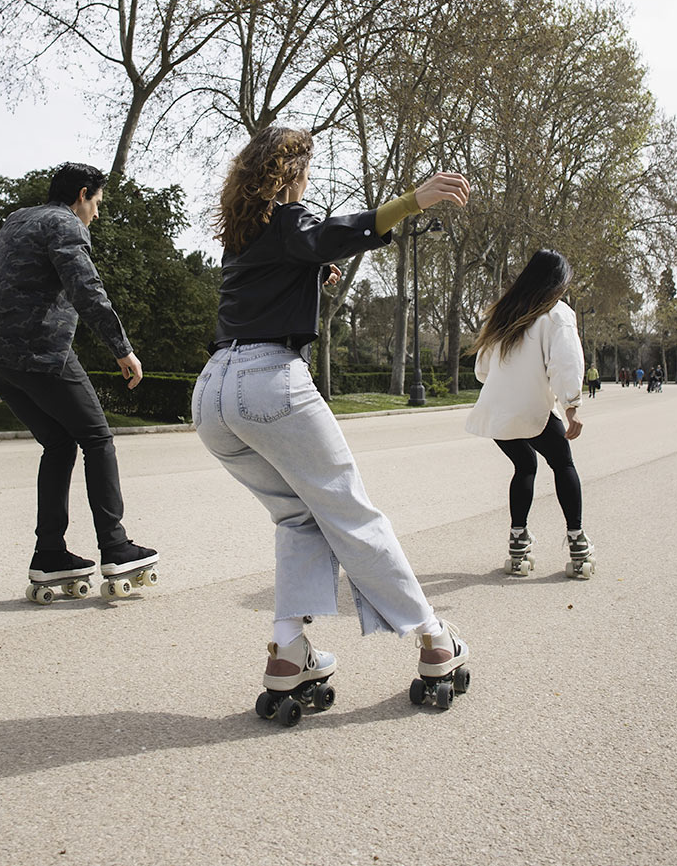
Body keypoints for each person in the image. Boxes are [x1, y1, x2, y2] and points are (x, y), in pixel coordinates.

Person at [190, 126, 471, 712]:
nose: (311, 180)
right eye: (307, 170)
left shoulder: (243, 236)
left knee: (297, 518)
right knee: (353, 515)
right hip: (268, 382)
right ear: (289, 174)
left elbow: (281, 271)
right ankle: (434, 638)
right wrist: (410, 201)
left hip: (213, 391)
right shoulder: (287, 219)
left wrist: (312, 277)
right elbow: (332, 233)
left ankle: (289, 650)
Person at [0, 162, 157, 594]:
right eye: (96, 203)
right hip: (37, 352)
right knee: (98, 438)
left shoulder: (18, 220)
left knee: (59, 443)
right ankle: (115, 547)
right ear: (82, 195)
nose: (96, 213)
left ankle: (50, 554)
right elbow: (86, 288)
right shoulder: (66, 225)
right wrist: (121, 348)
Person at [464, 249, 594, 579]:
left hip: (497, 411)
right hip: (532, 410)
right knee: (562, 463)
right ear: (558, 283)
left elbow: (482, 369)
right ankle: (578, 544)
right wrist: (572, 405)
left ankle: (517, 543)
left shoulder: (504, 312)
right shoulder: (557, 314)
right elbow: (566, 362)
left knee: (524, 465)